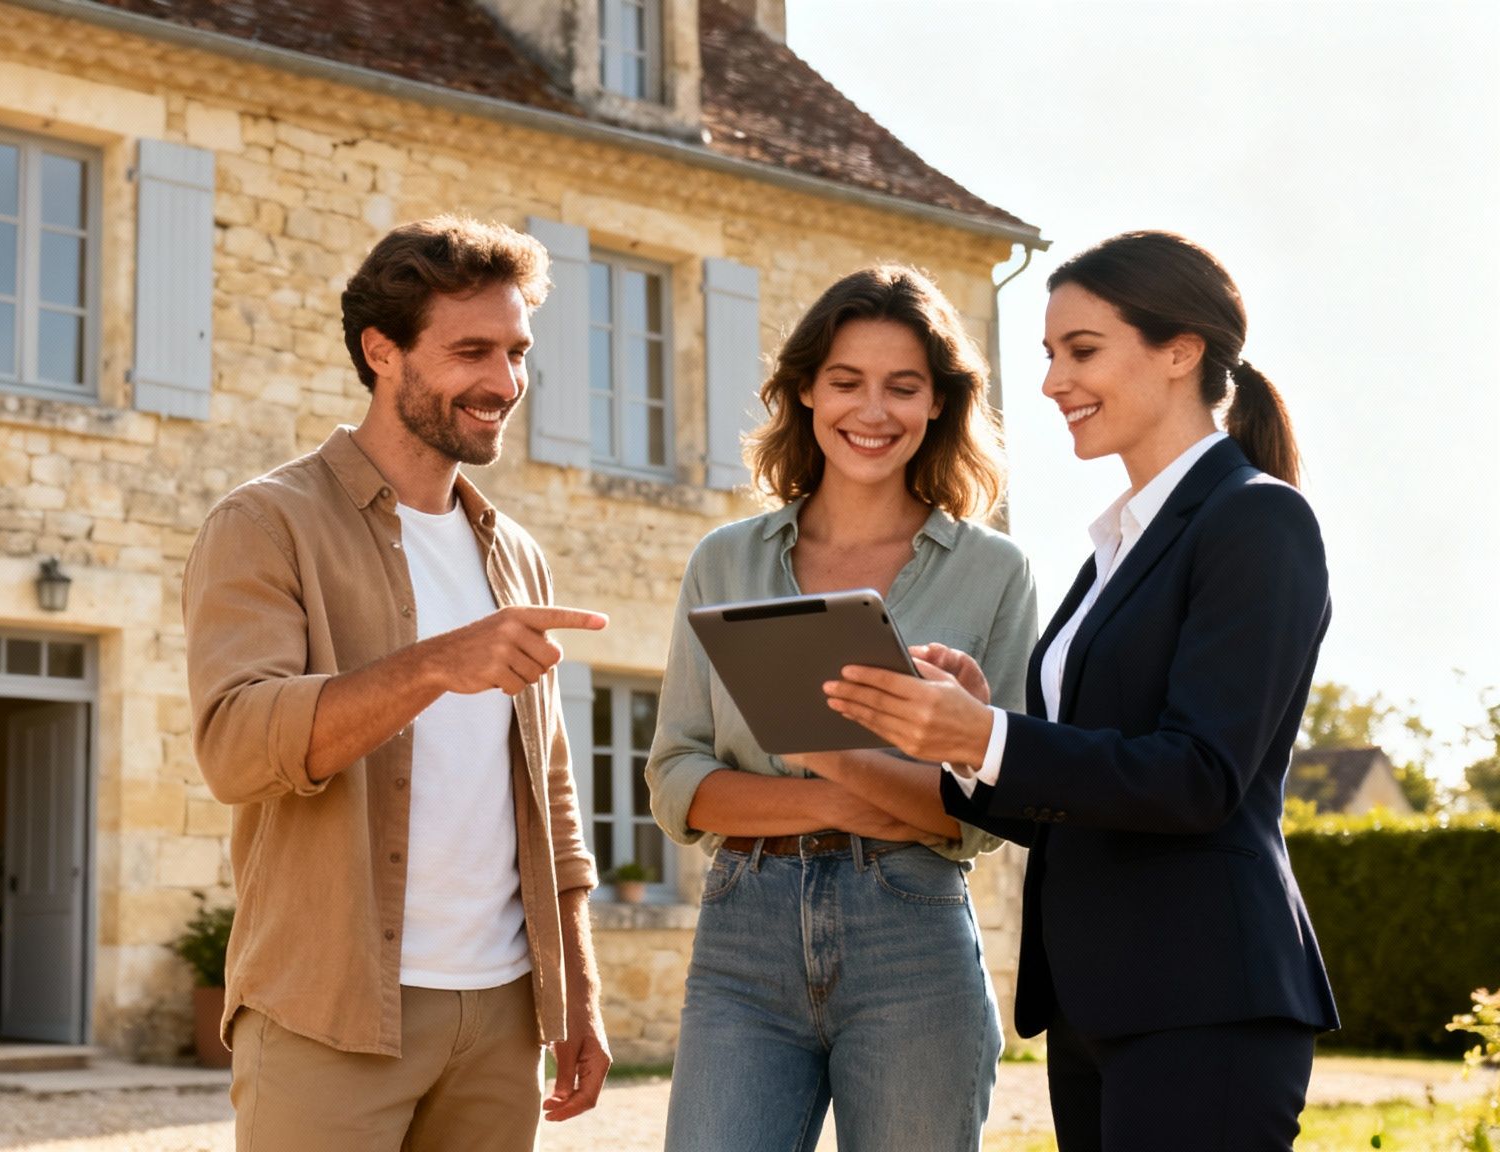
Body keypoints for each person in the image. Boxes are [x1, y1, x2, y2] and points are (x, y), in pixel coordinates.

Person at [824, 230, 1339, 1150]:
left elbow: (1198, 778)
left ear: (1180, 352)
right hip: (1100, 1003)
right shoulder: (1116, 548)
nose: (1055, 381)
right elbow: (1083, 789)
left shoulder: (1257, 519)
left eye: (1083, 350)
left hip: (1203, 997)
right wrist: (977, 734)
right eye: (1051, 356)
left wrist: (989, 739)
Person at [181, 215, 612, 1152]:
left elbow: (550, 795)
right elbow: (236, 747)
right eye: (471, 352)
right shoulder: (265, 523)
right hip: (329, 1013)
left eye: (516, 352)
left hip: (502, 1019)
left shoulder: (517, 556)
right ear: (382, 351)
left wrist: (574, 989)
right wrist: (432, 667)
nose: (504, 383)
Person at [646, 265, 1038, 1151]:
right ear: (806, 393)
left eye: (903, 387)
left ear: (939, 402)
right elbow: (678, 779)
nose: (873, 411)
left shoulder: (994, 572)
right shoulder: (725, 561)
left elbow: (986, 810)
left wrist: (816, 762)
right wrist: (854, 790)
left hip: (914, 939)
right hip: (743, 934)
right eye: (846, 382)